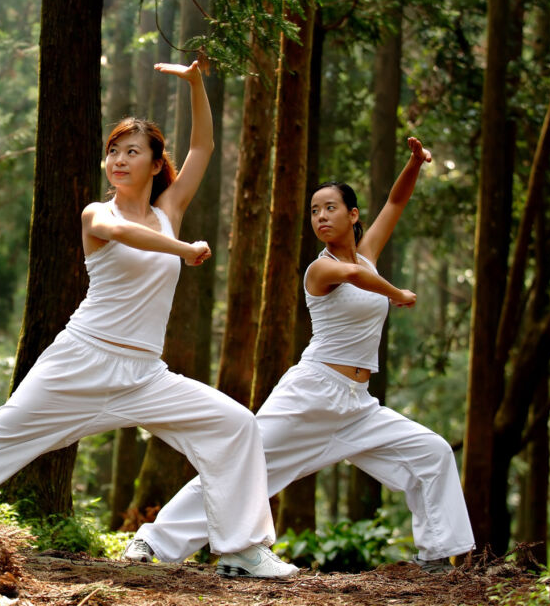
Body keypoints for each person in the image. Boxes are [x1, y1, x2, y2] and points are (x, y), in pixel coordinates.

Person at [0, 61, 298, 580]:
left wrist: (197, 86)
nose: (118, 159)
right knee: (1, 439)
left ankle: (243, 549)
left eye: (132, 151)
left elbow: (202, 147)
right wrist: (182, 248)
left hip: (144, 374)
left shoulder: (169, 209)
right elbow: (128, 237)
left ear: (157, 164)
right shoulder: (98, 214)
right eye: (113, 150)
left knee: (235, 426)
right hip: (81, 360)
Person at [124, 137, 475, 573]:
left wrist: (415, 164)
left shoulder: (368, 255)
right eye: (314, 210)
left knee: (432, 452)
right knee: (246, 468)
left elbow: (395, 203)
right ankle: (152, 543)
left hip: (357, 405)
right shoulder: (321, 267)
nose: (320, 217)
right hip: (312, 394)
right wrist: (397, 293)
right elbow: (352, 276)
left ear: (353, 214)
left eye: (329, 207)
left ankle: (439, 556)